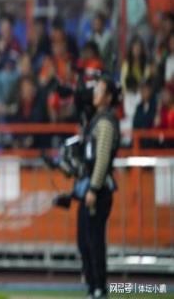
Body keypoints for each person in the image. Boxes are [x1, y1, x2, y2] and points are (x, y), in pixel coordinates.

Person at [77, 74, 120, 299]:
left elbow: (102, 158)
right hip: (92, 187)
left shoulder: (105, 122)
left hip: (98, 189)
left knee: (94, 240)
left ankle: (99, 288)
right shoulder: (96, 119)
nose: (95, 93)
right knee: (85, 239)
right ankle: (93, 285)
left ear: (109, 97)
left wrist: (93, 188)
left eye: (100, 90)